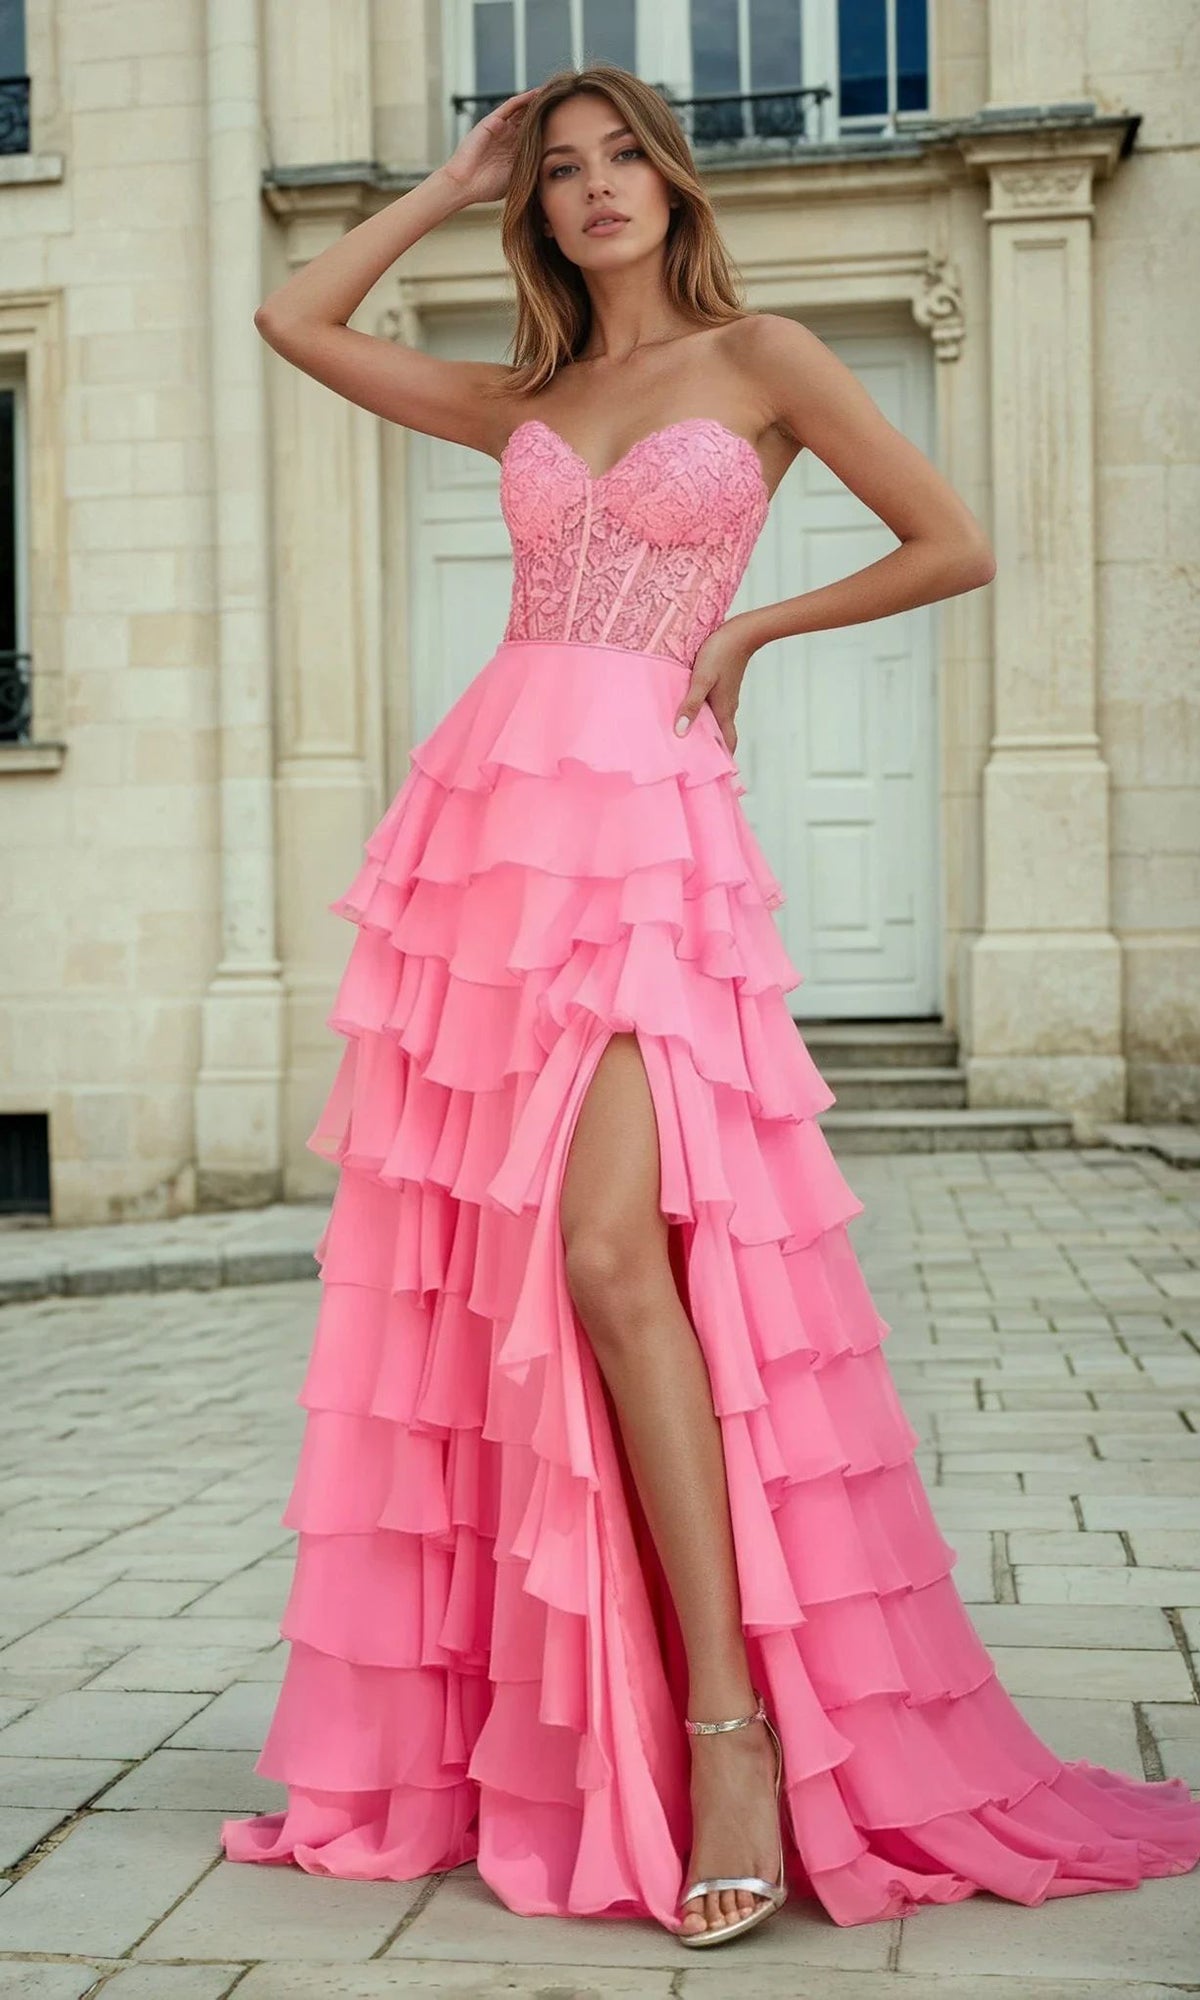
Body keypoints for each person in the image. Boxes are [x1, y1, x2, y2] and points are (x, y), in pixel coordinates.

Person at [221, 63, 1200, 1949]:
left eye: (620, 162)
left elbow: (955, 541)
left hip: (649, 826)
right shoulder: (525, 391)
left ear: (675, 182)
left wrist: (750, 626)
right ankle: (560, 1721)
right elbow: (291, 318)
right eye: (562, 171)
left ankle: (733, 1729)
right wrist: (447, 179)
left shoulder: (767, 357)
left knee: (608, 1252)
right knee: (496, 1277)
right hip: (489, 830)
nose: (593, 193)